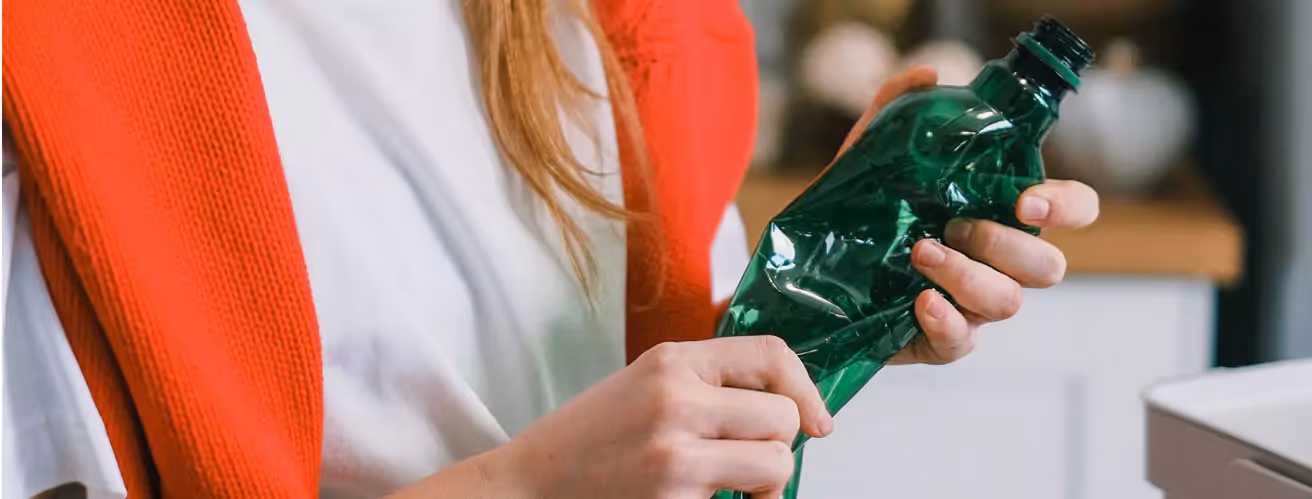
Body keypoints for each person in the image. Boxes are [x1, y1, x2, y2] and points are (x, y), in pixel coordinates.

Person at [1, 0, 1099, 498]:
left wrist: (834, 302)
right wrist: (521, 489)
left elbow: (661, 391)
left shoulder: (634, 25)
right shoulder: (46, 57)